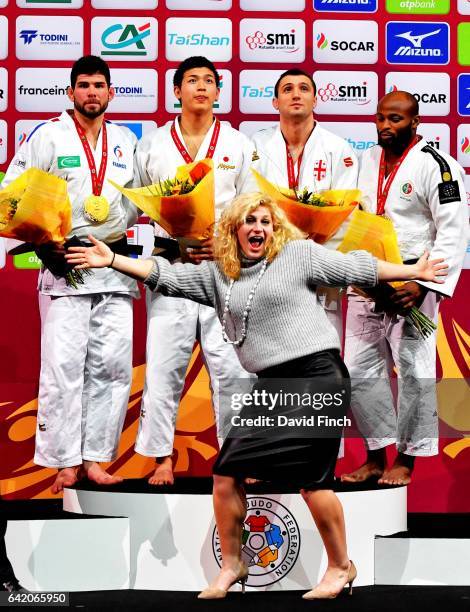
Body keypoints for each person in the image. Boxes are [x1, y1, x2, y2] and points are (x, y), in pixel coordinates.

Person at [65, 191, 447, 599]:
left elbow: (356, 266)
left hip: (317, 376)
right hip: (271, 384)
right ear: (234, 229)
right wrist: (113, 260)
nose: (259, 228)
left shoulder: (297, 256)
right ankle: (233, 565)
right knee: (227, 472)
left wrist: (413, 269)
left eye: (266, 222)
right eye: (250, 221)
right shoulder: (218, 276)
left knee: (313, 482)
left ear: (274, 229)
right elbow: (166, 277)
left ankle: (341, 567)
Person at [1, 55, 139, 493]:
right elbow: (14, 193)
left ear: (111, 92)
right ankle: (64, 461)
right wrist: (43, 241)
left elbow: (137, 202)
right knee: (63, 368)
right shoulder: (47, 136)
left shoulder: (124, 141)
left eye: (99, 85)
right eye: (84, 85)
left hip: (112, 265)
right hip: (65, 264)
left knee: (113, 368)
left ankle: (96, 457)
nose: (92, 92)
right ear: (71, 92)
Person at [134, 56, 255, 485]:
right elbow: (136, 204)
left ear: (219, 92)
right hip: (172, 265)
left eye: (209, 81)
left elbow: (251, 208)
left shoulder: (238, 144)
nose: (201, 87)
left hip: (226, 269)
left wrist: (225, 240)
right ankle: (160, 458)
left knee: (231, 368)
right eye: (191, 81)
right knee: (165, 363)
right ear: (176, 91)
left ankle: (237, 458)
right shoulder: (151, 144)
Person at [341, 91, 468, 486]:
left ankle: (407, 459)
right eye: (380, 118)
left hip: (412, 290)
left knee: (413, 369)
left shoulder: (439, 167)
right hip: (368, 284)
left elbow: (452, 234)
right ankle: (376, 455)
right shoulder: (365, 161)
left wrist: (422, 286)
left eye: (395, 119)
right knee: (359, 370)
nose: (385, 126)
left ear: (415, 122)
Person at [252, 68, 358, 337]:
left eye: (303, 88)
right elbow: (246, 207)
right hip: (268, 267)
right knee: (270, 361)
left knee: (323, 362)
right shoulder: (255, 146)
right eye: (287, 89)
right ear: (275, 102)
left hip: (320, 271)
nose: (296, 94)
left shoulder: (338, 148)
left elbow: (347, 215)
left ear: (315, 99)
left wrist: (317, 256)